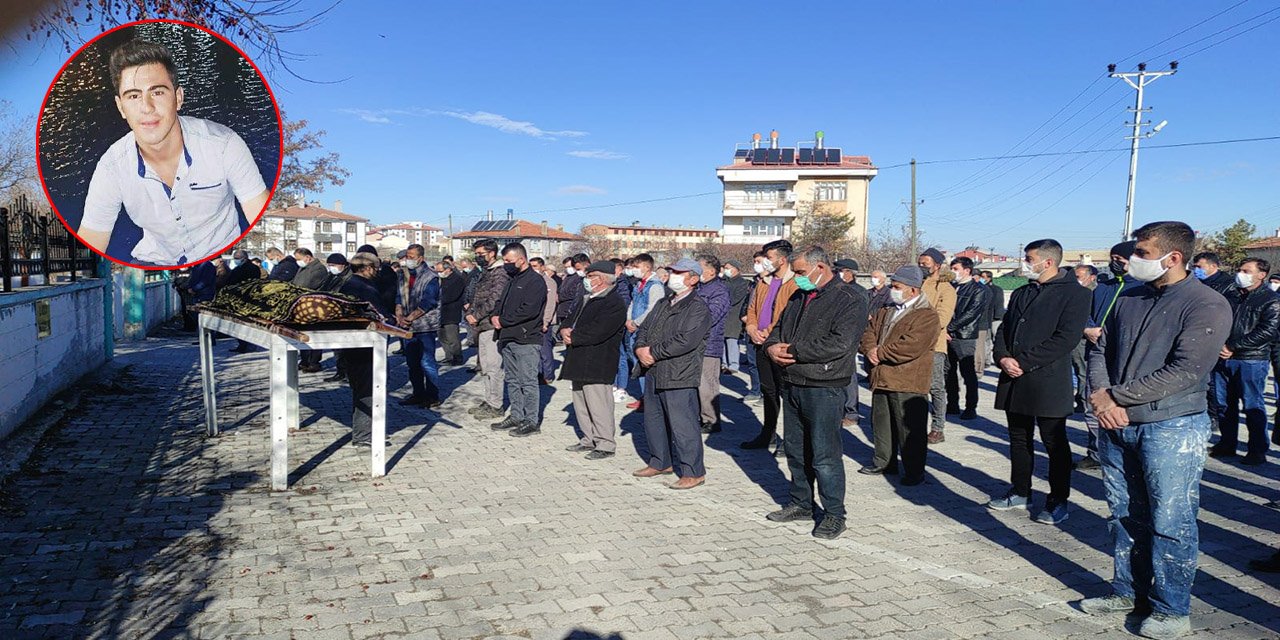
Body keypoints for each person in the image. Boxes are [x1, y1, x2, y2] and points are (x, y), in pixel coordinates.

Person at [1081, 221, 1231, 640]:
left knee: (1171, 519)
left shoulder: (1207, 304)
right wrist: (1100, 394)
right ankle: (1128, 592)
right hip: (1118, 424)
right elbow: (1100, 349)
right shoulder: (1129, 297)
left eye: (1143, 253)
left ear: (1173, 257)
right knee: (1124, 514)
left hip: (1171, 426)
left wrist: (1117, 398)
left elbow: (1186, 371)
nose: (1134, 261)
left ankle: (1171, 609)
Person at [79, 39, 268, 266]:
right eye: (133, 96)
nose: (146, 107)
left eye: (157, 92)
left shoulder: (224, 144)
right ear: (121, 107)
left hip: (219, 261)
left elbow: (260, 212)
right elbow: (90, 242)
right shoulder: (111, 167)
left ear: (178, 98)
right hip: (154, 262)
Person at [763, 247, 866, 538]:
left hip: (824, 387)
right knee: (796, 451)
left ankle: (834, 514)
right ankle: (801, 502)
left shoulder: (849, 298)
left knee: (824, 456)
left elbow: (840, 344)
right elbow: (778, 328)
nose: (796, 278)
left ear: (819, 267)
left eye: (799, 272)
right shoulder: (799, 296)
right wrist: (772, 347)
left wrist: (793, 351)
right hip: (793, 383)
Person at [987, 239, 1090, 526]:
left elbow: (1066, 338)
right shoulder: (1023, 291)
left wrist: (1024, 361)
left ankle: (1058, 499)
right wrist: (1003, 357)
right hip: (1014, 377)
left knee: (1054, 442)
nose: (1024, 262)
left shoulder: (1074, 294)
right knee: (1019, 438)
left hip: (1047, 379)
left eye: (1029, 258)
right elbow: (1004, 329)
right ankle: (1020, 491)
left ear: (1048, 262)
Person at [633, 259, 712, 490]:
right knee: (653, 420)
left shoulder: (697, 307)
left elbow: (686, 340)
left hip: (679, 372)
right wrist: (639, 349)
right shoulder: (663, 302)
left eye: (679, 272)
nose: (672, 275)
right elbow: (645, 329)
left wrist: (653, 352)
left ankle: (693, 471)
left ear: (693, 279)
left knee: (683, 424)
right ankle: (660, 462)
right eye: (672, 271)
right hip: (653, 370)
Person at [859, 265, 940, 485]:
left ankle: (914, 470)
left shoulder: (926, 315)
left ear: (912, 290)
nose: (892, 290)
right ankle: (883, 461)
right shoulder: (887, 310)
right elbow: (868, 332)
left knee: (909, 429)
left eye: (897, 287)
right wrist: (869, 349)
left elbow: (911, 346)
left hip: (908, 380)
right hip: (882, 376)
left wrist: (879, 352)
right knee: (881, 423)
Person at [1208, 258, 1280, 465]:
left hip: (1251, 360)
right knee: (1223, 404)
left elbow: (1267, 331)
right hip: (1223, 359)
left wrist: (1234, 346)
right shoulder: (1232, 296)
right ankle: (1227, 443)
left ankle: (1257, 449)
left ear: (1261, 275)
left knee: (1252, 405)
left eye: (1246, 270)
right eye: (1239, 269)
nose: (1241, 274)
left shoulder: (1270, 299)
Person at [1077, 242, 1136, 470]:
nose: (1115, 263)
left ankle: (1123, 454)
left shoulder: (1140, 288)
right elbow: (1083, 314)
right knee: (1092, 403)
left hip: (1125, 357)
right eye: (1112, 258)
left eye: (1120, 259)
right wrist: (1088, 329)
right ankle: (1096, 451)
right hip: (1096, 355)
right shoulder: (1101, 288)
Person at [560, 261, 627, 459]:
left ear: (603, 279)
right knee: (580, 401)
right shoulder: (586, 298)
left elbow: (601, 330)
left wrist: (574, 336)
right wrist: (564, 329)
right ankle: (588, 438)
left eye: (591, 276)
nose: (587, 280)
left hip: (599, 359)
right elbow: (569, 317)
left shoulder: (614, 302)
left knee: (598, 403)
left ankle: (605, 443)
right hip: (578, 357)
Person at [741, 240, 799, 456]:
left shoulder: (795, 283)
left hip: (780, 345)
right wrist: (752, 327)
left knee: (787, 393)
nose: (765, 261)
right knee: (769, 391)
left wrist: (770, 333)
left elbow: (788, 315)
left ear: (782, 260)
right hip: (760, 343)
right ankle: (768, 433)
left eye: (769, 257)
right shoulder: (763, 282)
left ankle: (790, 441)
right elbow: (752, 308)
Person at [489, 243, 547, 437]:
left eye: (509, 261)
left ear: (521, 260)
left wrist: (503, 321)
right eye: (504, 261)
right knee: (512, 379)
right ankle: (516, 415)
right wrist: (495, 316)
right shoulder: (512, 279)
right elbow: (501, 302)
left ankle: (531, 420)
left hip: (526, 338)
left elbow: (529, 309)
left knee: (528, 381)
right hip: (507, 337)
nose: (506, 264)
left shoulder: (535, 281)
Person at [339, 252, 395, 448]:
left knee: (361, 389)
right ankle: (364, 435)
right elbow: (379, 314)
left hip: (353, 345)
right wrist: (394, 321)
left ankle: (363, 432)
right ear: (367, 268)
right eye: (375, 268)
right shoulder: (364, 287)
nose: (377, 272)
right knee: (369, 390)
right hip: (366, 346)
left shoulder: (347, 284)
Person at [466, 239, 510, 420]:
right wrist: (469, 312)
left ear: (492, 253)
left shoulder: (500, 273)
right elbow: (476, 296)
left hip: (491, 325)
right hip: (481, 325)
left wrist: (476, 315)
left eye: (481, 254)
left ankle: (496, 404)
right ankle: (489, 399)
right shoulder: (485, 272)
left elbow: (494, 299)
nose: (478, 258)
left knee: (493, 366)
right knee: (485, 366)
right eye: (476, 254)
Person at [918, 248, 957, 444]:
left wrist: (917, 328)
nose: (922, 266)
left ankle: (937, 427)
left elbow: (942, 317)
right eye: (920, 263)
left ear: (937, 265)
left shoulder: (945, 288)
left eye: (926, 263)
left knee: (936, 387)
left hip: (934, 344)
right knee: (917, 388)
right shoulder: (916, 283)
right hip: (913, 344)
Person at [395, 244, 442, 409]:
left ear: (420, 258)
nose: (408, 259)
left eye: (412, 256)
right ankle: (418, 393)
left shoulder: (431, 277)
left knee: (427, 361)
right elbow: (399, 297)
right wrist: (399, 315)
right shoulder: (403, 275)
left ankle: (432, 396)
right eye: (407, 256)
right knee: (412, 362)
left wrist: (410, 317)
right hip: (407, 326)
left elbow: (428, 302)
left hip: (425, 326)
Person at [945, 257, 987, 421]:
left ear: (967, 270)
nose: (953, 272)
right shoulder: (952, 287)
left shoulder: (978, 290)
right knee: (948, 372)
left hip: (965, 336)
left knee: (968, 373)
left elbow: (971, 313)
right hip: (947, 336)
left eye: (956, 268)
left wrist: (950, 328)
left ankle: (970, 407)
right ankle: (952, 403)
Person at [624, 254, 666, 410]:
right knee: (636, 362)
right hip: (633, 327)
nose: (634, 270)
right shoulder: (638, 285)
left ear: (647, 267)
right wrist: (628, 320)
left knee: (644, 363)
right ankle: (644, 396)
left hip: (646, 330)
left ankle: (648, 399)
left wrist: (636, 322)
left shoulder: (655, 285)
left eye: (637, 266)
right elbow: (633, 303)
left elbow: (653, 309)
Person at [694, 254, 730, 434]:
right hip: (694, 343)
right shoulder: (699, 288)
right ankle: (700, 415)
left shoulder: (719, 290)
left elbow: (712, 316)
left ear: (710, 271)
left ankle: (711, 419)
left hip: (709, 344)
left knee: (707, 383)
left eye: (698, 267)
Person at [833, 258, 869, 427]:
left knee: (849, 377)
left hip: (850, 339)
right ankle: (838, 410)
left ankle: (851, 412)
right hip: (835, 338)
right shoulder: (835, 289)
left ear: (850, 273)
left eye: (841, 270)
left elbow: (860, 318)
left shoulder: (859, 292)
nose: (838, 274)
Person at [1069, 264, 1100, 413]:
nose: (1075, 280)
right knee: (1079, 370)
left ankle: (1083, 401)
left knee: (1083, 371)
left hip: (1086, 339)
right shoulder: (1078, 292)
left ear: (1091, 277)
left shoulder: (1094, 293)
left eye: (1078, 277)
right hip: (1079, 338)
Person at [528, 257, 560, 384]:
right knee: (535, 351)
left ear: (542, 267)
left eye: (535, 266)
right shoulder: (531, 281)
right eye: (531, 266)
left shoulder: (549, 282)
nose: (533, 269)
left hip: (544, 322)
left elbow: (550, 304)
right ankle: (538, 373)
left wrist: (546, 322)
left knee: (545, 350)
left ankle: (548, 375)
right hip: (533, 321)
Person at [720, 260, 751, 375]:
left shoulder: (742, 283)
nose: (725, 270)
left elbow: (734, 299)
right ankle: (723, 363)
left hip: (733, 316)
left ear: (735, 268)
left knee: (731, 341)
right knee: (721, 341)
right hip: (722, 315)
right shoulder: (722, 281)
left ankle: (733, 365)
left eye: (728, 267)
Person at [612, 257, 635, 403]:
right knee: (614, 355)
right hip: (612, 323)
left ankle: (622, 386)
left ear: (620, 269)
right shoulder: (614, 283)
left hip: (620, 323)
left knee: (621, 355)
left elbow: (624, 302)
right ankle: (613, 384)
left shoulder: (623, 284)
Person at [437, 261, 467, 366]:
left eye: (440, 271)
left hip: (451, 312)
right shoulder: (441, 279)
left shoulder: (457, 280)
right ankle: (448, 356)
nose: (438, 273)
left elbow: (451, 296)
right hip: (440, 313)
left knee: (452, 338)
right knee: (442, 336)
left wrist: (437, 300)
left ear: (448, 270)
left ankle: (457, 357)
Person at [977, 269, 1005, 372]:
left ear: (989, 278)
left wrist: (997, 316)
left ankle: (994, 357)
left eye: (983, 277)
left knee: (994, 338)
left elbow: (998, 304)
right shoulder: (981, 288)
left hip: (995, 318)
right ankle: (987, 360)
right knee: (986, 340)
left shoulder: (996, 289)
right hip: (987, 318)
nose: (982, 279)